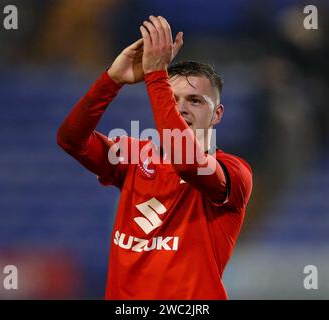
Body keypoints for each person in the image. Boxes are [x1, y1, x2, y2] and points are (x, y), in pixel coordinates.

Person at [57, 15, 253, 299]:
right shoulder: (135, 159)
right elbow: (71, 140)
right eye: (173, 100)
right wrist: (111, 80)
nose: (181, 109)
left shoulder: (235, 173)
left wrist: (156, 77)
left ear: (217, 114)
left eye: (195, 100)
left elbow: (187, 163)